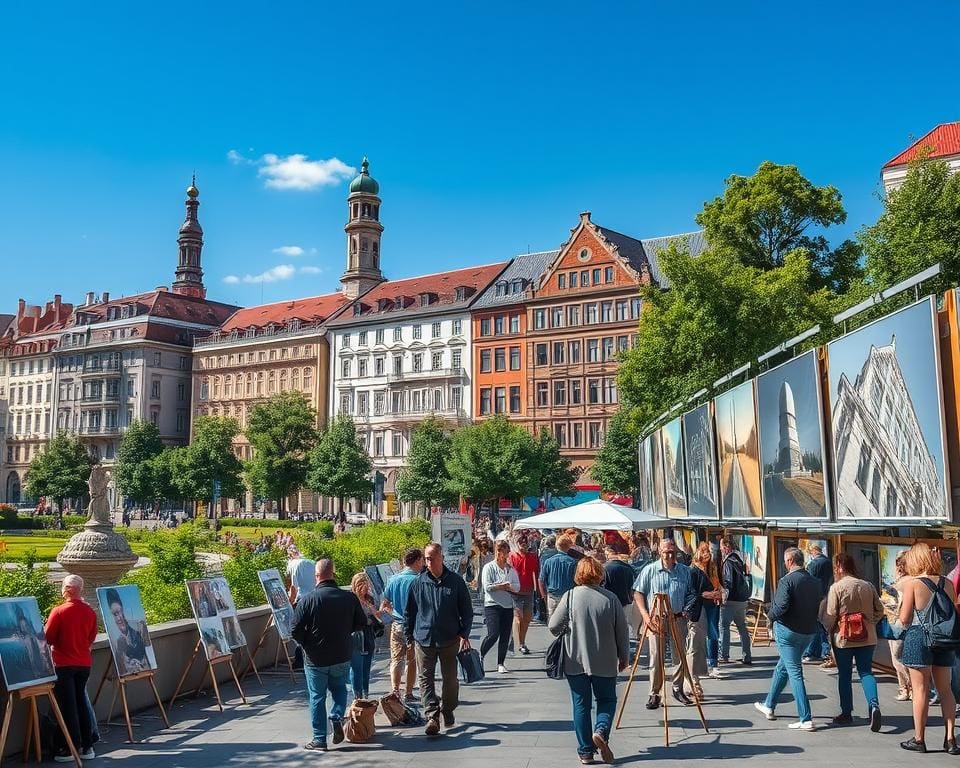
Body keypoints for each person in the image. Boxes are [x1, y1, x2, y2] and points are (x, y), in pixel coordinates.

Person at [549, 556, 629, 765]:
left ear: (578, 574)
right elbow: (622, 632)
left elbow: (553, 626)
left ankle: (585, 751)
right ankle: (601, 730)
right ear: (600, 574)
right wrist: (624, 657)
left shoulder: (570, 596)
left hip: (575, 660)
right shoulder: (611, 599)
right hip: (605, 660)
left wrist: (567, 628)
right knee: (607, 700)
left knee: (581, 704)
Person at [291, 559, 367, 752]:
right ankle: (337, 715)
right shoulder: (349, 598)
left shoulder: (307, 600)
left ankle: (319, 740)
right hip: (342, 654)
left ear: (316, 576)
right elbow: (360, 623)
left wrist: (307, 643)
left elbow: (294, 630)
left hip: (315, 658)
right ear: (333, 573)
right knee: (340, 690)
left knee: (317, 697)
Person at [404, 542, 474, 736]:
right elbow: (410, 612)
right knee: (425, 679)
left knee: (450, 680)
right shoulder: (418, 582)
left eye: (432, 558)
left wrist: (464, 633)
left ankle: (448, 708)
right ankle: (432, 716)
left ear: (441, 557)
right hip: (423, 638)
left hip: (449, 639)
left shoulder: (455, 582)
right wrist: (408, 635)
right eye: (426, 558)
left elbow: (467, 611)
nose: (429, 562)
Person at [896, 542, 959, 753]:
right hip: (944, 639)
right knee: (945, 689)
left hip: (919, 638)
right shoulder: (947, 583)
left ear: (915, 560)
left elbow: (905, 618)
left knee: (920, 689)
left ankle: (919, 738)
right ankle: (950, 739)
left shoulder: (913, 584)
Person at [754, 547, 821, 731]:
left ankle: (805, 718)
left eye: (785, 561)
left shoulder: (787, 581)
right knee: (783, 667)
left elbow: (781, 606)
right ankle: (769, 705)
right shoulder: (815, 582)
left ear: (790, 561)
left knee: (794, 671)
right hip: (808, 632)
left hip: (788, 632)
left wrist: (769, 616)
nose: (784, 564)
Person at [822, 553, 885, 731]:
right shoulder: (867, 585)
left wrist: (829, 629)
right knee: (866, 671)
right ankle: (874, 704)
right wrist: (870, 622)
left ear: (839, 567)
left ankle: (846, 713)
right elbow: (880, 609)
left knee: (844, 674)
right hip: (867, 636)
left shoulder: (837, 587)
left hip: (844, 637)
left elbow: (831, 612)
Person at [633, 538, 695, 709]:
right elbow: (638, 593)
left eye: (672, 552)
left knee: (679, 656)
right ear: (659, 552)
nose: (669, 555)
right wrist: (646, 616)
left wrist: (687, 611)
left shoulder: (684, 571)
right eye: (666, 551)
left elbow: (691, 593)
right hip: (656, 619)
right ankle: (654, 693)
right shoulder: (650, 570)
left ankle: (677, 688)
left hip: (677, 618)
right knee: (656, 657)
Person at [44, 575, 97, 762]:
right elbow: (91, 637)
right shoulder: (89, 611)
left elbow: (47, 638)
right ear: (80, 589)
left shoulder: (58, 611)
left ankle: (69, 748)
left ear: (66, 589)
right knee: (81, 703)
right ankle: (88, 746)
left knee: (68, 707)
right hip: (84, 664)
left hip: (64, 664)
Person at [381, 547, 423, 703]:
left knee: (396, 659)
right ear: (417, 560)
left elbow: (384, 604)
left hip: (397, 624)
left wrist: (395, 613)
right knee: (411, 661)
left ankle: (395, 690)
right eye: (422, 560)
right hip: (414, 626)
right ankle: (409, 692)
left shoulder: (393, 579)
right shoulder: (419, 580)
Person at [689, 543, 725, 696]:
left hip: (713, 605)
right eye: (704, 551)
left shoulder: (713, 568)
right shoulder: (693, 570)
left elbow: (718, 583)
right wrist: (709, 594)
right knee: (698, 640)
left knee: (714, 633)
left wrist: (720, 592)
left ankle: (714, 664)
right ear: (698, 552)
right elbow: (694, 591)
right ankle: (696, 676)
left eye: (709, 552)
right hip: (700, 606)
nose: (707, 555)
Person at [481, 539, 520, 673]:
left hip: (507, 605)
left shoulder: (510, 569)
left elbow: (517, 586)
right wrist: (500, 586)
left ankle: (500, 663)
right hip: (492, 604)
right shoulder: (489, 567)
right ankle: (482, 655)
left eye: (505, 551)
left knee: (505, 635)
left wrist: (510, 587)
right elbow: (487, 587)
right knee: (493, 634)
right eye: (501, 551)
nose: (504, 554)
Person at [349, 572, 384, 700]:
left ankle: (365, 694)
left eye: (366, 584)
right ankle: (357, 696)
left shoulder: (369, 599)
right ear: (355, 585)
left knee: (366, 668)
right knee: (357, 667)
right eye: (360, 585)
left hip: (369, 634)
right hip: (356, 635)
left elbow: (375, 616)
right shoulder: (351, 599)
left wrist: (380, 611)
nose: (364, 588)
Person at [719, 536, 752, 666]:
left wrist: (723, 595)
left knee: (724, 627)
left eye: (722, 546)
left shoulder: (728, 562)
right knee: (742, 627)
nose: (721, 549)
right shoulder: (739, 559)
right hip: (742, 599)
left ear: (727, 546)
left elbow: (728, 582)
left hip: (731, 599)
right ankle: (747, 655)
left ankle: (724, 655)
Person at [104, 587, 153, 676]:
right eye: (115, 614)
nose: (119, 618)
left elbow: (149, 654)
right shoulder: (119, 642)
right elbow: (123, 669)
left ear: (124, 611)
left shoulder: (140, 627)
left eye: (120, 612)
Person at [803, 544, 835, 666]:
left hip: (815, 597)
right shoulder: (828, 562)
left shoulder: (814, 564)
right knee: (821, 625)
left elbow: (809, 580)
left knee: (815, 625)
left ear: (812, 551)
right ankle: (825, 651)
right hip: (826, 595)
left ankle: (813, 652)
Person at [509, 534, 539, 654]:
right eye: (521, 541)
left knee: (526, 619)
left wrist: (539, 590)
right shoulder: (512, 556)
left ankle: (522, 642)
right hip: (515, 591)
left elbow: (536, 574)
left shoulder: (533, 556)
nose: (523, 543)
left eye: (525, 541)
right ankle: (515, 641)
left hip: (529, 591)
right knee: (518, 618)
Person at [539, 533, 579, 619]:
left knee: (553, 623)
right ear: (568, 547)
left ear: (557, 546)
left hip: (553, 595)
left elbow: (541, 580)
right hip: (568, 596)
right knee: (567, 622)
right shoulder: (573, 562)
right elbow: (577, 580)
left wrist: (544, 597)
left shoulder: (548, 561)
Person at [601, 544, 636, 637]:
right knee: (624, 626)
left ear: (609, 555)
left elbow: (603, 585)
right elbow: (633, 586)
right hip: (625, 601)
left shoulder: (604, 568)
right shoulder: (629, 568)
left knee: (611, 627)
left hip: (609, 602)